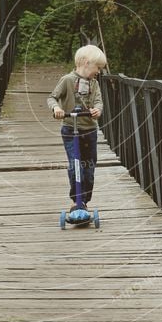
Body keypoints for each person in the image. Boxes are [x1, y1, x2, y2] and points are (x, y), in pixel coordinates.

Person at [47, 44, 107, 213]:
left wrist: (97, 110)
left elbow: (98, 102)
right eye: (98, 67)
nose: (99, 72)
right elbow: (52, 98)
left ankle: (85, 201)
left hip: (89, 131)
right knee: (76, 165)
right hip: (69, 129)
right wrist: (57, 109)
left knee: (89, 166)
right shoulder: (67, 80)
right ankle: (76, 200)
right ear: (86, 63)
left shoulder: (94, 84)